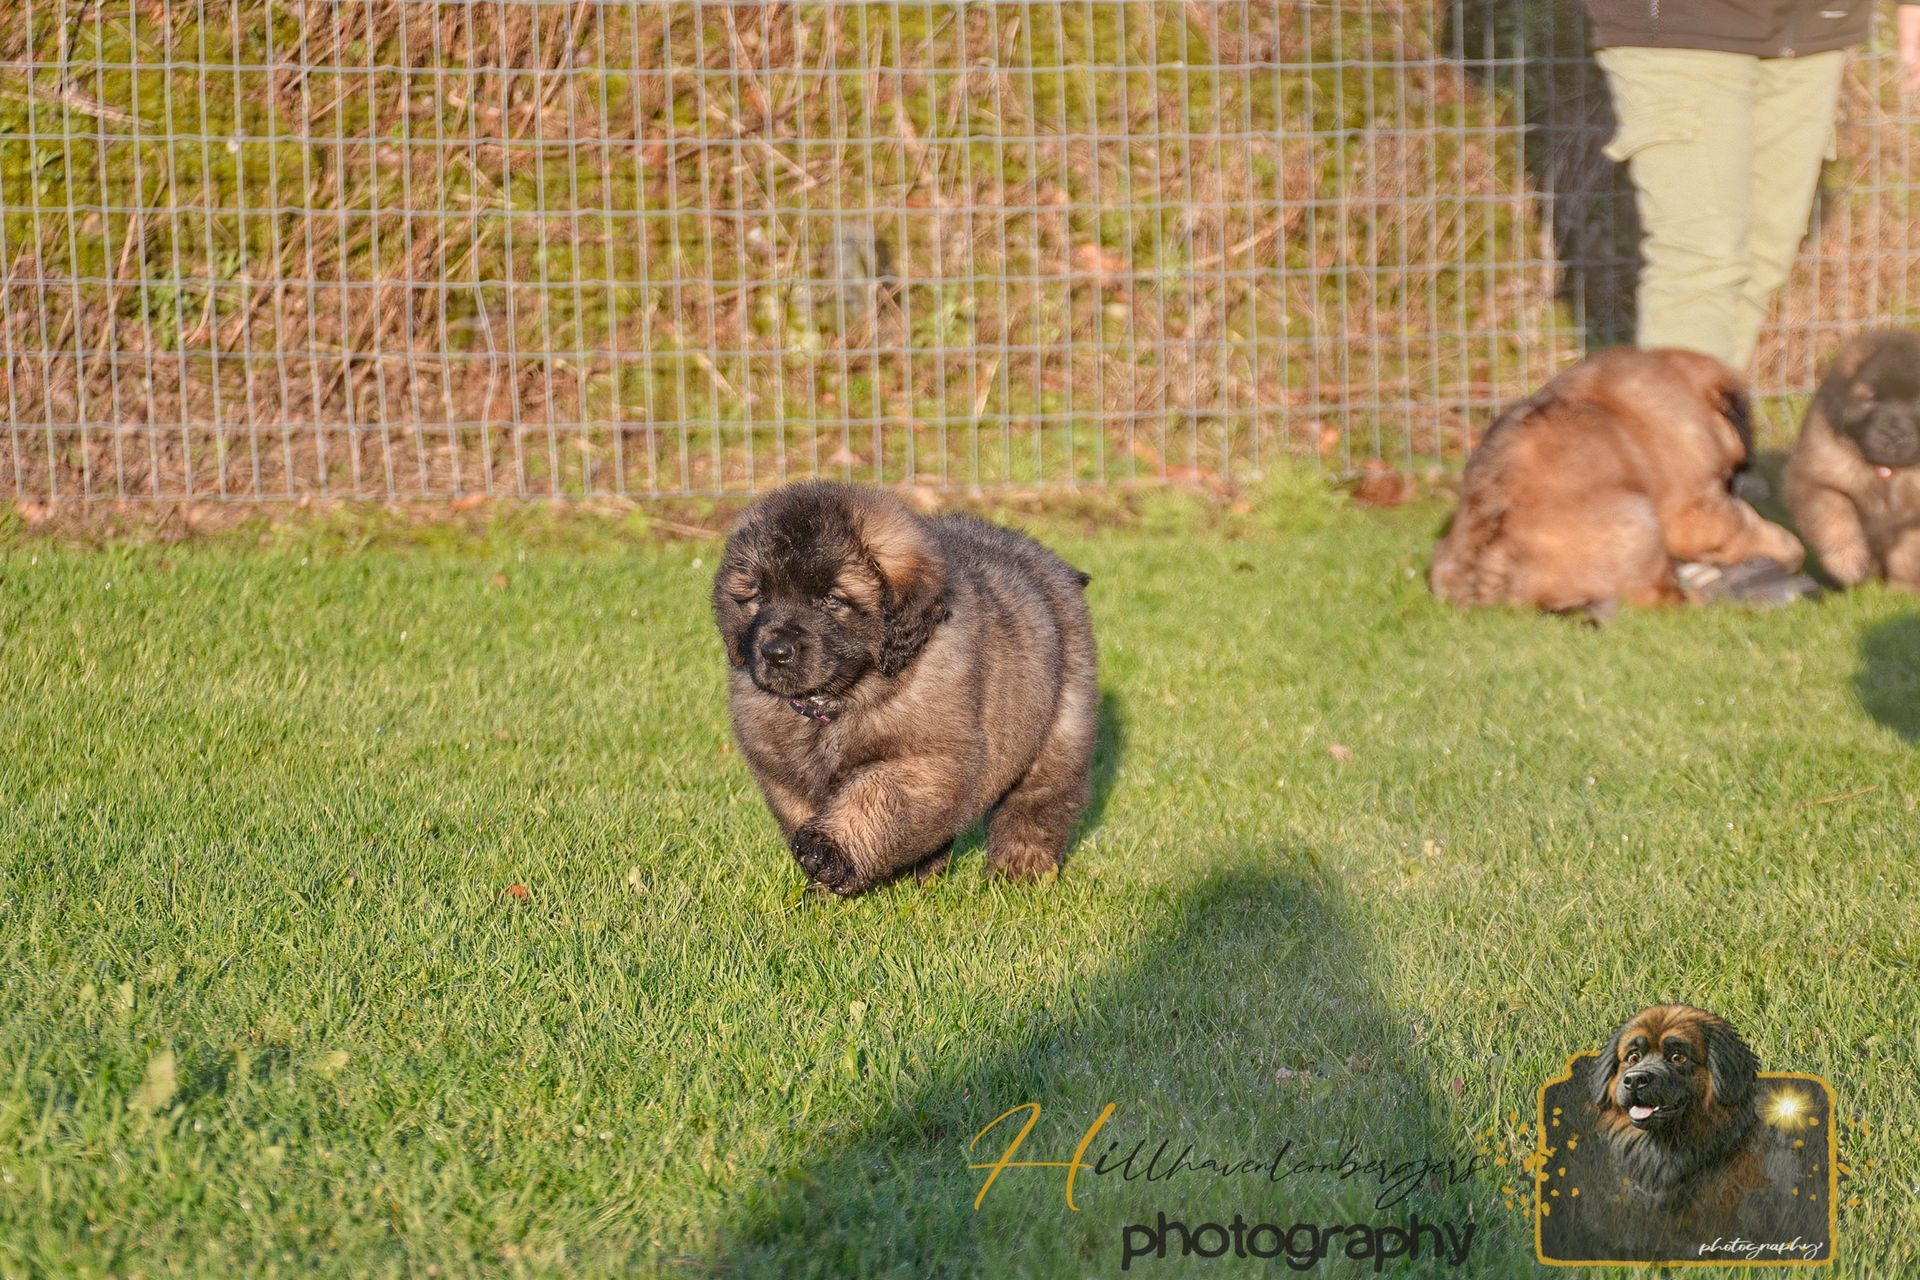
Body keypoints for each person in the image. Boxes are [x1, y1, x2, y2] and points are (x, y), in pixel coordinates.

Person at [1583, 0, 1920, 370]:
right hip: (1682, 26)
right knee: (1702, 260)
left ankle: (1715, 418)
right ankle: (1680, 424)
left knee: (1765, 254)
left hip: (1813, 25)